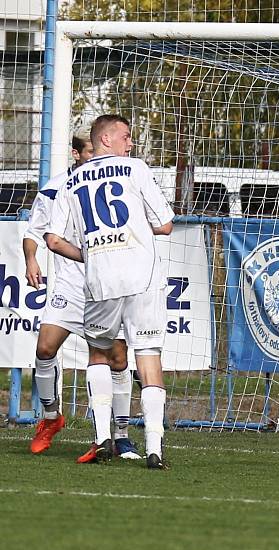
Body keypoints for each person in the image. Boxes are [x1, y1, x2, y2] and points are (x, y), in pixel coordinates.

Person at [46, 114, 174, 469]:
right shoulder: (135, 169)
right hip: (143, 277)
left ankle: (103, 436)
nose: (130, 143)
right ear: (105, 140)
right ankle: (154, 449)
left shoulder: (72, 181)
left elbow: (54, 239)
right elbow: (165, 224)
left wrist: (89, 253)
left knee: (100, 355)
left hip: (100, 280)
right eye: (125, 136)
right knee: (148, 359)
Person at [24, 131, 139, 461]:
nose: (97, 156)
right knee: (45, 348)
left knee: (115, 359)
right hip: (70, 286)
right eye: (91, 151)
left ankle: (120, 435)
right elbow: (34, 232)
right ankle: (50, 418)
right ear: (77, 154)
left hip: (105, 285)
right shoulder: (55, 187)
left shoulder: (120, 182)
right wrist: (31, 258)